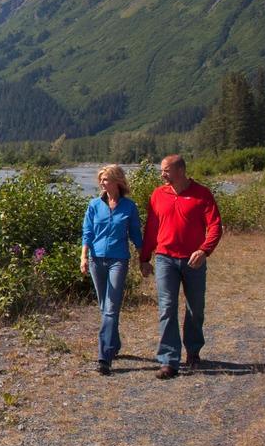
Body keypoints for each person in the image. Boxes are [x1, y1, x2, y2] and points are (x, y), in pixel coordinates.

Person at [139, 154, 222, 379]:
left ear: (181, 170)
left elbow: (215, 226)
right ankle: (169, 360)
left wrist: (204, 251)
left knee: (195, 308)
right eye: (162, 170)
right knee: (167, 307)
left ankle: (193, 352)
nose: (162, 174)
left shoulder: (202, 194)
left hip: (193, 260)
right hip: (165, 259)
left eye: (166, 170)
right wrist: (144, 258)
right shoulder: (158, 195)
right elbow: (152, 228)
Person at [81, 164, 143, 375]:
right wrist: (83, 257)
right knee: (104, 307)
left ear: (117, 181)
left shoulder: (129, 207)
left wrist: (144, 258)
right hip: (96, 260)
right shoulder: (94, 205)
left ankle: (104, 357)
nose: (102, 183)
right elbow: (87, 232)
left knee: (111, 307)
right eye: (101, 179)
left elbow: (135, 234)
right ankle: (114, 344)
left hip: (118, 260)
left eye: (106, 179)